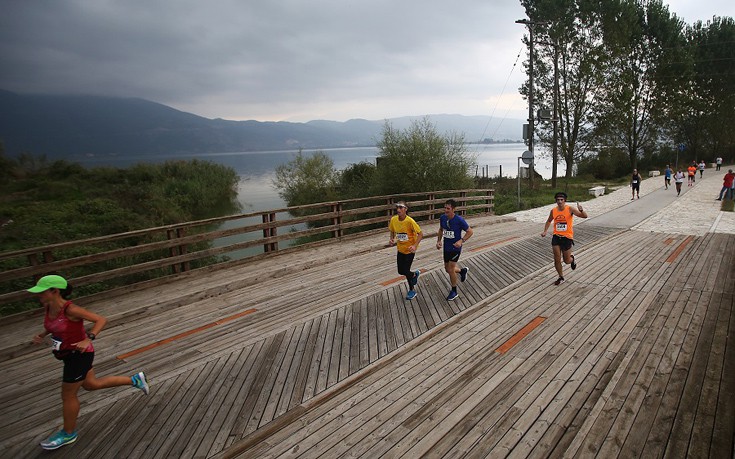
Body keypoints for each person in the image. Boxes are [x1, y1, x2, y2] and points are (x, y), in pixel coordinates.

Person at [29, 275, 149, 450]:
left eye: (42, 291)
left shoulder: (71, 310)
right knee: (92, 384)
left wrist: (89, 338)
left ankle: (68, 433)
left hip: (80, 356)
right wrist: (42, 334)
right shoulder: (49, 307)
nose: (38, 295)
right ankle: (135, 380)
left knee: (68, 395)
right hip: (67, 355)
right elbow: (53, 324)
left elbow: (101, 319)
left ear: (55, 291)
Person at [541, 192, 588, 286]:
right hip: (556, 237)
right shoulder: (553, 210)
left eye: (561, 200)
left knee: (566, 260)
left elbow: (584, 216)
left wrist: (582, 210)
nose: (559, 202)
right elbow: (549, 220)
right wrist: (545, 231)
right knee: (556, 259)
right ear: (556, 201)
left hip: (567, 237)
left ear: (565, 200)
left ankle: (572, 259)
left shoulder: (570, 209)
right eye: (558, 200)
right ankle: (560, 277)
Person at [436, 199, 473, 301]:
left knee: (451, 269)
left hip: (455, 248)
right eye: (445, 208)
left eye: (448, 208)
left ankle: (454, 291)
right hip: (446, 248)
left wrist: (461, 241)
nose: (446, 210)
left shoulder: (459, 220)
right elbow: (440, 229)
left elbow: (470, 231)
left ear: (453, 209)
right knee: (447, 269)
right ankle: (462, 271)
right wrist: (439, 241)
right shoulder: (443, 218)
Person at [388, 201, 423, 300]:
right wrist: (392, 239)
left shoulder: (410, 221)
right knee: (400, 271)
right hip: (400, 249)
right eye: (397, 207)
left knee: (406, 270)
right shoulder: (394, 219)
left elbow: (420, 234)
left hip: (409, 250)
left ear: (406, 209)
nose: (398, 209)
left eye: (401, 207)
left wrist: (415, 246)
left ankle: (412, 290)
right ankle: (414, 274)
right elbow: (392, 230)